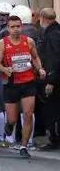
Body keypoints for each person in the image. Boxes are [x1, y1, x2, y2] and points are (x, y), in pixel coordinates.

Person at [0, 15, 46, 159]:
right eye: (12, 27)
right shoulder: (2, 43)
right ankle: (10, 125)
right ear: (8, 28)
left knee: (28, 114)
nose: (16, 29)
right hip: (11, 84)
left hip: (28, 82)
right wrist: (5, 70)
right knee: (12, 119)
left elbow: (35, 58)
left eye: (18, 26)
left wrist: (40, 69)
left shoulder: (28, 41)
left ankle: (24, 146)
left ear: (21, 26)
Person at [38, 8, 60, 150]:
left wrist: (50, 81)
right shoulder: (55, 31)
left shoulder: (53, 34)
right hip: (55, 76)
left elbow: (54, 58)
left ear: (42, 18)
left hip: (55, 79)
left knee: (53, 110)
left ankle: (55, 139)